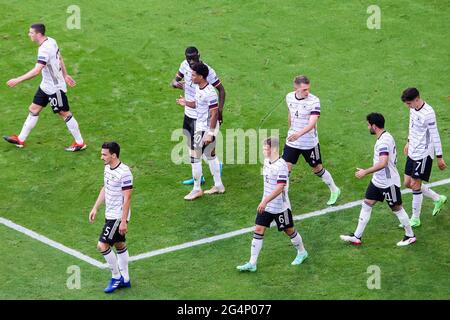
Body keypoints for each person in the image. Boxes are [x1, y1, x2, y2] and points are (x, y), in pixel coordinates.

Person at [3, 23, 86, 151]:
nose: (29, 35)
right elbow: (60, 58)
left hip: (55, 88)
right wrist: (65, 74)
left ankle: (80, 143)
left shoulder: (44, 50)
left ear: (38, 34)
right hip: (45, 86)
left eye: (31, 33)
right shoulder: (51, 40)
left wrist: (17, 80)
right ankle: (20, 139)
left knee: (64, 113)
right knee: (33, 109)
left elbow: (36, 71)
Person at [340, 113, 416, 246]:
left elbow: (383, 163)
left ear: (374, 126)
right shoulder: (386, 136)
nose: (368, 127)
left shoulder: (383, 142)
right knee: (367, 204)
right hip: (378, 181)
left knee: (397, 208)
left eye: (368, 125)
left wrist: (365, 172)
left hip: (388, 182)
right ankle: (357, 236)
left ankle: (410, 235)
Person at [237, 137, 308, 272]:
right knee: (258, 229)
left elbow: (280, 187)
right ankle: (252, 263)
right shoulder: (266, 162)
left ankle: (302, 252)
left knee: (289, 231)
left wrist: (264, 201)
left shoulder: (282, 166)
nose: (263, 151)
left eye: (266, 149)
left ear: (273, 149)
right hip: (267, 205)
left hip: (280, 207)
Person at [281, 75, 340, 205]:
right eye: (304, 90)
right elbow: (290, 112)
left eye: (308, 89)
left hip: (309, 143)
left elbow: (312, 123)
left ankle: (335, 189)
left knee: (317, 169)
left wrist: (299, 134)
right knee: (285, 169)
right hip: (292, 141)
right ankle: (284, 201)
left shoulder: (314, 101)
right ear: (296, 88)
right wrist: (291, 129)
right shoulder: (289, 97)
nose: (307, 92)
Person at [171, 47, 225, 185]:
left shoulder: (206, 71)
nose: (190, 61)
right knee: (191, 145)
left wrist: (219, 111)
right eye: (188, 58)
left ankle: (212, 173)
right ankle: (201, 176)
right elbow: (175, 80)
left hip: (201, 116)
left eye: (193, 58)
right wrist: (176, 84)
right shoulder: (184, 65)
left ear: (199, 55)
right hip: (189, 111)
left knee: (203, 149)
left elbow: (221, 90)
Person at [89, 142, 133, 293]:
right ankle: (125, 279)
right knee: (119, 244)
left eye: (104, 154)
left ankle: (116, 277)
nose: (101, 157)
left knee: (102, 245)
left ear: (113, 155)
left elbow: (127, 198)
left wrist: (123, 221)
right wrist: (95, 207)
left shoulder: (125, 172)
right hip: (110, 213)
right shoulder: (107, 167)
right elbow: (105, 188)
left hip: (118, 215)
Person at [400, 87, 447, 227]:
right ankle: (438, 198)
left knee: (415, 184)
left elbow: (435, 135)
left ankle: (415, 218)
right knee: (407, 183)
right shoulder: (412, 109)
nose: (408, 106)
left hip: (424, 153)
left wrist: (439, 157)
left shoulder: (429, 113)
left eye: (409, 103)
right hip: (413, 150)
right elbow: (412, 126)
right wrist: (408, 141)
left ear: (417, 99)